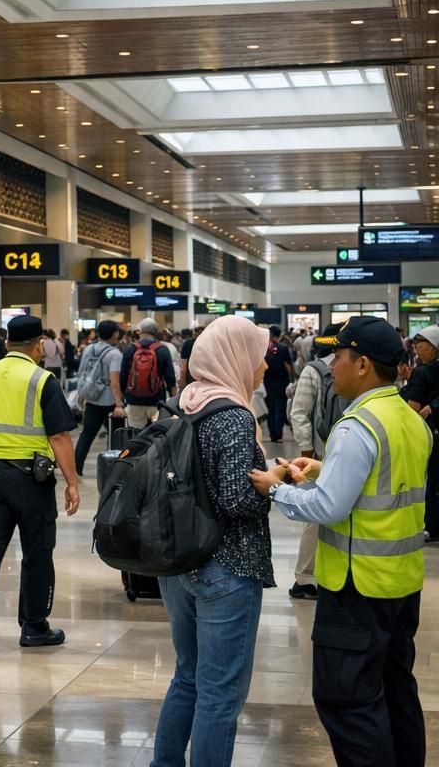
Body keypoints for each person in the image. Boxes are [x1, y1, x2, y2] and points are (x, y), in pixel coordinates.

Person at [250, 316, 430, 767]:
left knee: (347, 700)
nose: (333, 367)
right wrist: (319, 471)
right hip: (400, 584)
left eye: (340, 357)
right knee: (395, 690)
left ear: (364, 364)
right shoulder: (409, 419)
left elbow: (329, 508)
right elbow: (377, 487)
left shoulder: (357, 426)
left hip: (357, 588)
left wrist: (275, 489)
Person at [149, 313, 274, 767]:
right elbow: (238, 501)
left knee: (187, 676)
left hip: (179, 563)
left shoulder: (184, 403)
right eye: (258, 357)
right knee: (221, 694)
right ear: (235, 357)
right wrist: (274, 483)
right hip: (227, 567)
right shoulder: (235, 416)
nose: (262, 367)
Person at [0, 315, 78, 657]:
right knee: (37, 551)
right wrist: (72, 483)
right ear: (39, 345)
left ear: (7, 342)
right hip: (31, 479)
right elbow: (59, 435)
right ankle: (34, 625)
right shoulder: (42, 380)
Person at [287, 324, 347, 601]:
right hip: (323, 454)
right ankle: (305, 577)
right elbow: (300, 414)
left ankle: (311, 576)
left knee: (316, 515)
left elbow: (299, 413)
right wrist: (307, 451)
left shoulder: (314, 370)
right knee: (313, 516)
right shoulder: (323, 370)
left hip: (324, 452)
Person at [398, 325, 439, 542]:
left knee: (429, 482)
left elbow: (412, 407)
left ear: (433, 347)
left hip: (426, 434)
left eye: (422, 343)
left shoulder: (422, 372)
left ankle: (431, 526)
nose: (417, 347)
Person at [72, 320, 126, 476]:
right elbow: (114, 381)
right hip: (109, 400)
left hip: (92, 399)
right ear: (115, 334)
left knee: (87, 434)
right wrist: (118, 404)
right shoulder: (115, 354)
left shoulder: (89, 349)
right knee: (115, 436)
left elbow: (82, 373)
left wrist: (82, 395)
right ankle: (116, 467)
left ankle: (77, 466)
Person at [120, 318, 177, 429]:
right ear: (156, 332)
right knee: (157, 432)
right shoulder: (162, 350)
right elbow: (170, 377)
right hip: (157, 399)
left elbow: (123, 375)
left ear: (140, 331)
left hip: (134, 399)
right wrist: (172, 398)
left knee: (135, 431)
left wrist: (122, 396)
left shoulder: (130, 349)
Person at [262, 325, 295, 443]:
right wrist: (291, 380)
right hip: (282, 382)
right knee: (281, 408)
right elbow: (289, 366)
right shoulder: (284, 348)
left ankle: (273, 435)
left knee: (271, 408)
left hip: (268, 382)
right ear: (279, 335)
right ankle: (279, 434)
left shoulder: (265, 348)